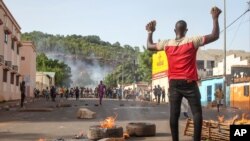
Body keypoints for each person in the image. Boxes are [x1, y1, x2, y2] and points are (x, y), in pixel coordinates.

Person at [146, 6, 221, 141]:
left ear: (175, 31)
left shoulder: (167, 43)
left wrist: (150, 32)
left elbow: (149, 46)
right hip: (189, 83)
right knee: (197, 113)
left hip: (174, 83)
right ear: (186, 30)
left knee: (174, 115)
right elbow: (215, 35)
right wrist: (215, 18)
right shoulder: (193, 41)